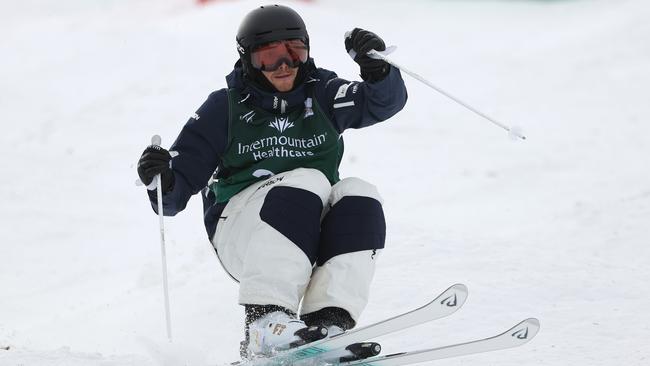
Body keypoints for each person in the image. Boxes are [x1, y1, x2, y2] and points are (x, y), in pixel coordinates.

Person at [136, 4, 407, 359]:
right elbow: (171, 198)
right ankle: (265, 323)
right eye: (269, 56)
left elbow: (383, 103)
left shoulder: (322, 93)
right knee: (308, 179)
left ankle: (327, 324)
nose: (284, 66)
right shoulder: (226, 108)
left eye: (295, 52)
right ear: (248, 59)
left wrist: (378, 71)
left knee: (360, 194)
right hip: (243, 233)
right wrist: (162, 177)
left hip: (308, 231)